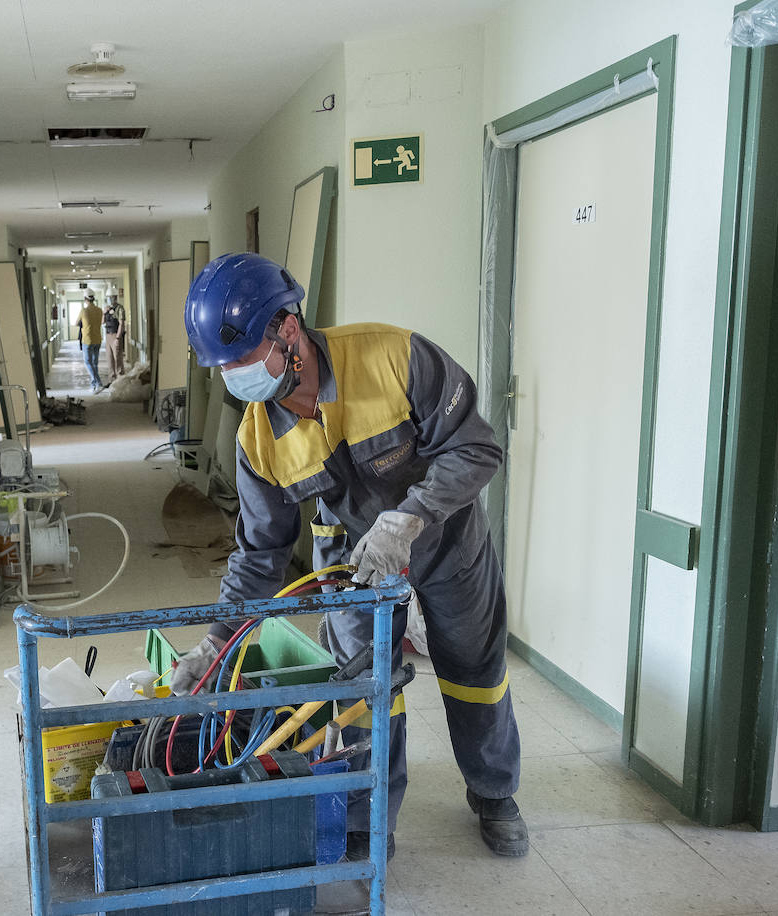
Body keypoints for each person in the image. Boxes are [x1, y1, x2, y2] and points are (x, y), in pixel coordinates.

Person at [172, 252, 526, 863]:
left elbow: (476, 449)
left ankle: (495, 793)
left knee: (474, 677)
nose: (234, 377)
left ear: (288, 329)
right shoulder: (258, 440)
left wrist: (407, 519)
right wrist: (215, 644)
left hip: (447, 543)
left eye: (242, 359)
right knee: (362, 692)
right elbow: (259, 555)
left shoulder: (392, 357)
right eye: (223, 367)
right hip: (352, 566)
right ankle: (368, 822)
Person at [77, 291, 105, 392]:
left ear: (85, 299)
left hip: (87, 340)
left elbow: (76, 323)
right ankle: (94, 385)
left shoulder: (84, 311)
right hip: (98, 339)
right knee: (94, 363)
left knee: (88, 362)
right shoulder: (99, 310)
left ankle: (99, 383)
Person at [103, 296, 126, 378]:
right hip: (108, 335)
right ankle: (112, 380)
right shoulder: (107, 308)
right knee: (109, 359)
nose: (109, 299)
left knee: (118, 359)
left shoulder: (120, 308)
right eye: (108, 297)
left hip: (115, 335)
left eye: (111, 297)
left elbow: (121, 324)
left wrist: (118, 338)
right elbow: (102, 322)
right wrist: (104, 312)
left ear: (115, 298)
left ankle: (120, 379)